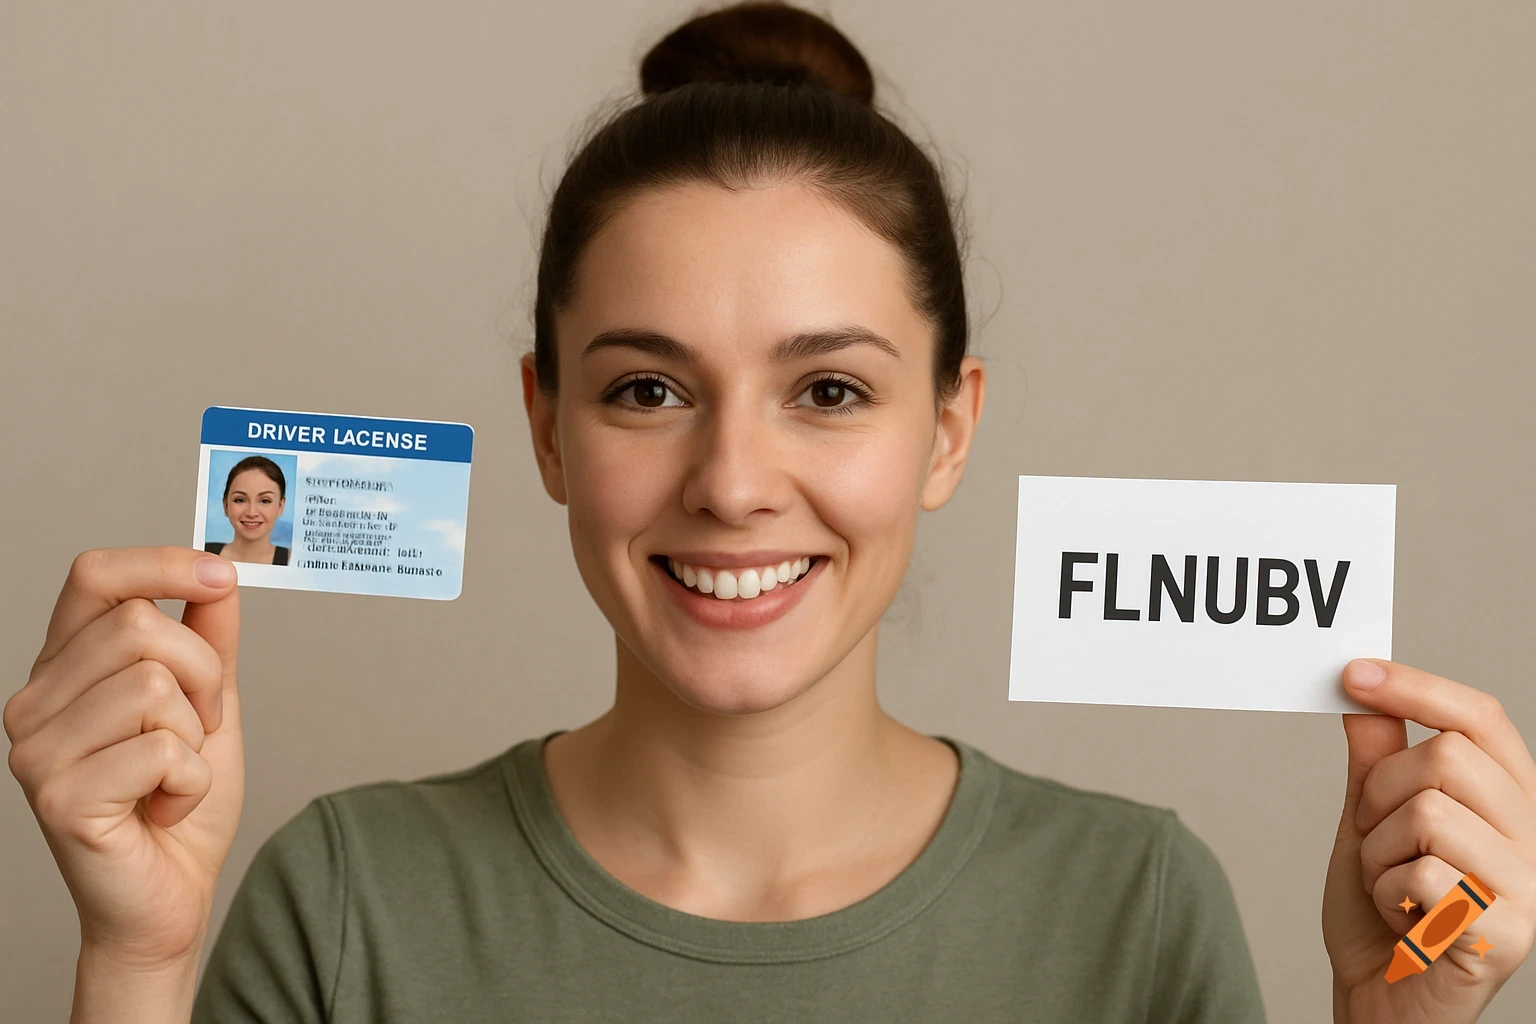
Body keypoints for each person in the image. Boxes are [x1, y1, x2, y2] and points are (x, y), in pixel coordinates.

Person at [5, 3, 1533, 1022]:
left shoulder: (1132, 910)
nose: (733, 483)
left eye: (830, 392)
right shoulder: (346, 907)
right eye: (648, 391)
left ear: (950, 428)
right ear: (546, 425)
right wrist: (134, 964)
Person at [204, 455, 290, 566]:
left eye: (264, 501)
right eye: (240, 500)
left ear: (280, 506)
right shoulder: (202, 552)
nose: (251, 513)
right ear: (225, 505)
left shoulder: (293, 560)